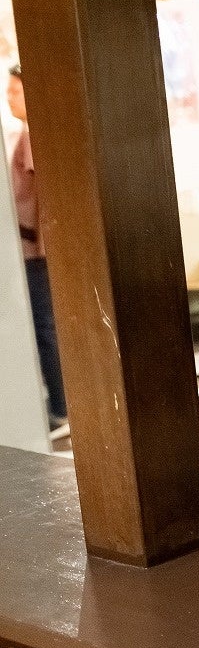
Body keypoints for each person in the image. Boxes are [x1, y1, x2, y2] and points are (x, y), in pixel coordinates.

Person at [7, 63, 69, 438]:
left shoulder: (34, 137)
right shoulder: (25, 136)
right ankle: (58, 405)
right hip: (29, 248)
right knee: (42, 327)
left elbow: (47, 193)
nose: (9, 97)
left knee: (45, 328)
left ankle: (61, 408)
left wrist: (44, 243)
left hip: (35, 250)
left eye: (15, 91)